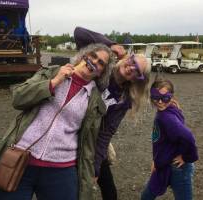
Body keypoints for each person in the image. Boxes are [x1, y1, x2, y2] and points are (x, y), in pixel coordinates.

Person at [0, 43, 114, 200]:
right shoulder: (51, 72)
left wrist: (92, 171)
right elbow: (18, 98)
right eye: (93, 56)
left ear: (101, 72)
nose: (95, 62)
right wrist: (54, 82)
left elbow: (89, 143)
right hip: (21, 158)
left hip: (61, 168)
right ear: (84, 56)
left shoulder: (95, 100)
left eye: (101, 63)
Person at [74, 27, 151, 200]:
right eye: (132, 61)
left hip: (92, 139)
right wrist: (111, 44)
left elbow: (107, 131)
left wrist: (96, 167)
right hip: (70, 130)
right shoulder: (103, 69)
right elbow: (79, 33)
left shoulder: (124, 99)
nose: (131, 68)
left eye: (137, 70)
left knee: (109, 191)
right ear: (126, 57)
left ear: (138, 79)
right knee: (71, 185)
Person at [141, 78, 198, 200]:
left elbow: (188, 137)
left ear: (171, 97)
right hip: (163, 165)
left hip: (178, 168)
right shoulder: (170, 108)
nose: (160, 102)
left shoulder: (166, 118)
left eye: (165, 98)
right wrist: (156, 161)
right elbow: (163, 141)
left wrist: (187, 157)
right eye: (156, 97)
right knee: (146, 196)